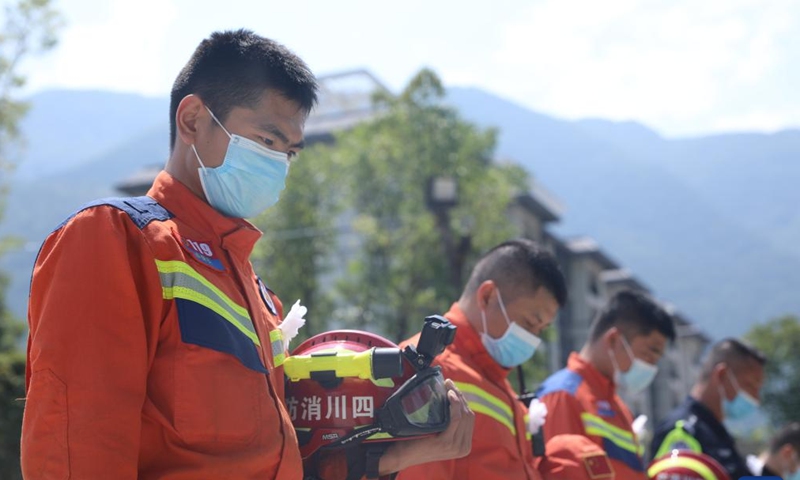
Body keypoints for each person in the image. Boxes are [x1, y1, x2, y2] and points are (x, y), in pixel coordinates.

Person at [21, 29, 473, 479]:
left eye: (291, 153)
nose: (279, 164)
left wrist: (399, 457)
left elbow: (276, 460)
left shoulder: (258, 294)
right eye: (268, 142)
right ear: (193, 119)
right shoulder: (114, 240)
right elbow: (77, 453)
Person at [397, 238, 568, 479]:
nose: (533, 338)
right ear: (487, 296)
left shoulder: (502, 387)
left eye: (541, 328)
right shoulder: (425, 368)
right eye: (530, 322)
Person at [536, 289, 675, 480]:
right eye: (649, 354)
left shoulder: (620, 409)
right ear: (613, 339)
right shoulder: (562, 395)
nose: (652, 367)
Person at [650, 338, 766, 480]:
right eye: (750, 386)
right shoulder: (683, 430)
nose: (756, 398)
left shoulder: (717, 432)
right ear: (722, 375)